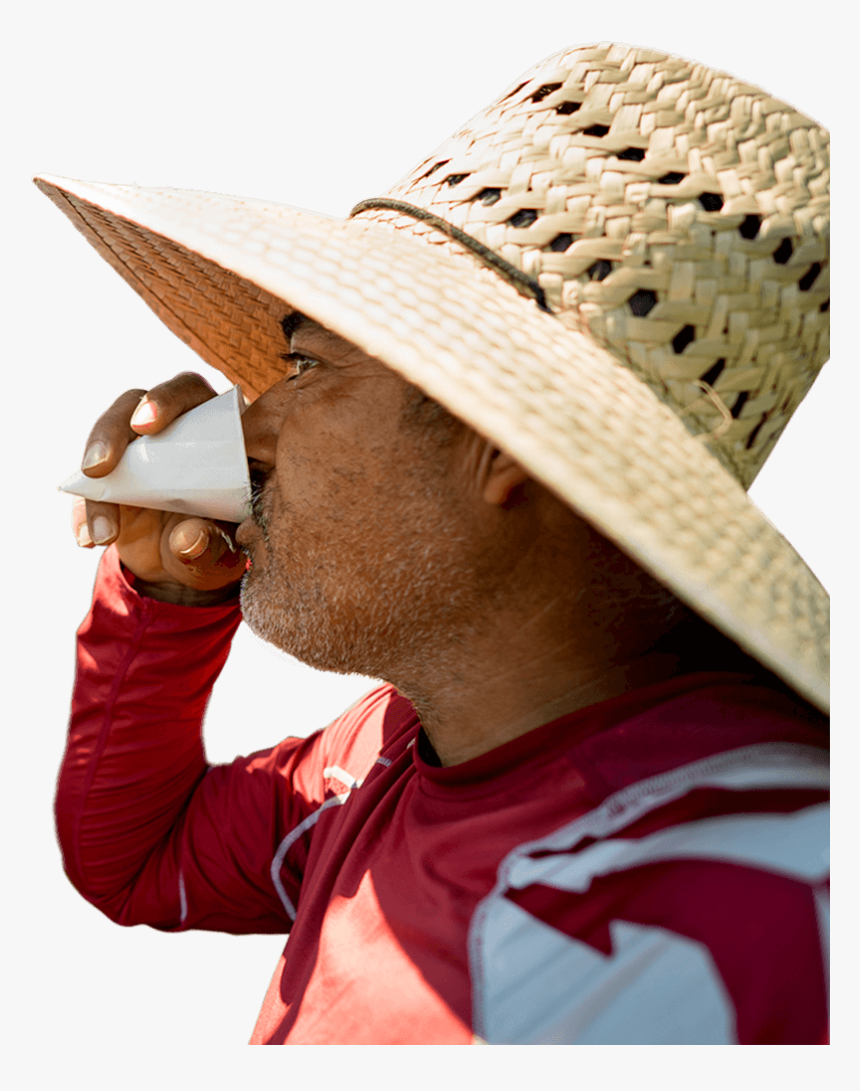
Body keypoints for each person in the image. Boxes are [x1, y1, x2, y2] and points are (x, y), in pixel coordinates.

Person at [38, 42, 829, 1044]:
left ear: (497, 442)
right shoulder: (397, 746)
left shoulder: (771, 885)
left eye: (305, 365)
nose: (247, 428)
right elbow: (139, 857)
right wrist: (166, 595)